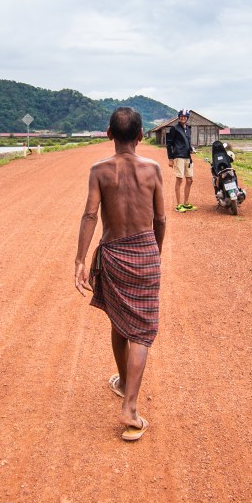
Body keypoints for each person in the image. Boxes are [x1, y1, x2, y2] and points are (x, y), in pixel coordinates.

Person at [75, 107, 166, 441]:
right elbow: (160, 219)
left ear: (109, 133)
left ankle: (125, 382)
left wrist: (80, 260)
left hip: (113, 254)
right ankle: (129, 405)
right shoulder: (152, 169)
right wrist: (155, 252)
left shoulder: (99, 171)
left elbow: (90, 216)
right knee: (141, 331)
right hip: (145, 253)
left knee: (118, 320)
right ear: (141, 135)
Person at [165, 109, 196, 212]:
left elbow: (187, 142)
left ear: (187, 118)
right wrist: (170, 158)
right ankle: (179, 205)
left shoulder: (188, 128)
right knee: (180, 179)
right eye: (181, 116)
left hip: (188, 157)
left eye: (185, 116)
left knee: (189, 180)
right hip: (178, 156)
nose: (183, 118)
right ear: (179, 117)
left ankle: (186, 203)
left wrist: (191, 149)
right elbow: (169, 144)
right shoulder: (174, 129)